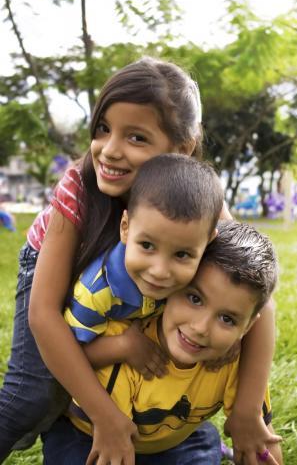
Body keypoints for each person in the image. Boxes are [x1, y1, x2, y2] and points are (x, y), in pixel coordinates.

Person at [0, 56, 277, 465]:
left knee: (174, 356)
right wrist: (106, 418)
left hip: (143, 275)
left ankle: (180, 440)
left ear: (182, 149)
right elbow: (43, 315)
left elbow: (258, 298)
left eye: (136, 138)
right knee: (32, 392)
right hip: (56, 266)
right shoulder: (79, 185)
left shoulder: (197, 198)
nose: (109, 151)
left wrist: (248, 411)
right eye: (103, 129)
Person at [42, 220, 283, 465]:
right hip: (92, 436)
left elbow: (262, 446)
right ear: (170, 286)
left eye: (226, 318)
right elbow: (113, 445)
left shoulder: (237, 362)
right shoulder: (128, 347)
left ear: (248, 327)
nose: (200, 328)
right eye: (194, 298)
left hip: (178, 442)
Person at [64, 153, 224, 382]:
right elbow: (70, 356)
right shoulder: (96, 290)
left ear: (207, 243)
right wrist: (123, 346)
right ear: (126, 227)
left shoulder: (201, 277)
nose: (159, 271)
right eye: (147, 245)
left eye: (182, 254)